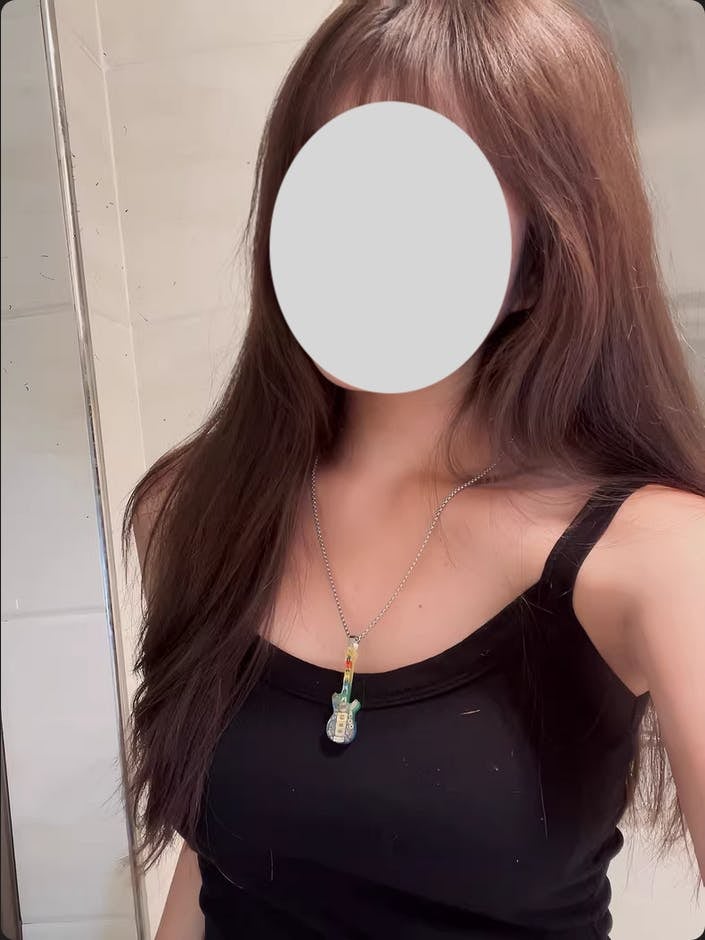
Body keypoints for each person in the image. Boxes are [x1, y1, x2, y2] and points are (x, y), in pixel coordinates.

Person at [123, 1, 705, 938]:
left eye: (427, 196)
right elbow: (217, 858)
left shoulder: (660, 557)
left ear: (544, 250)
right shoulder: (189, 511)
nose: (366, 238)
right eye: (336, 181)